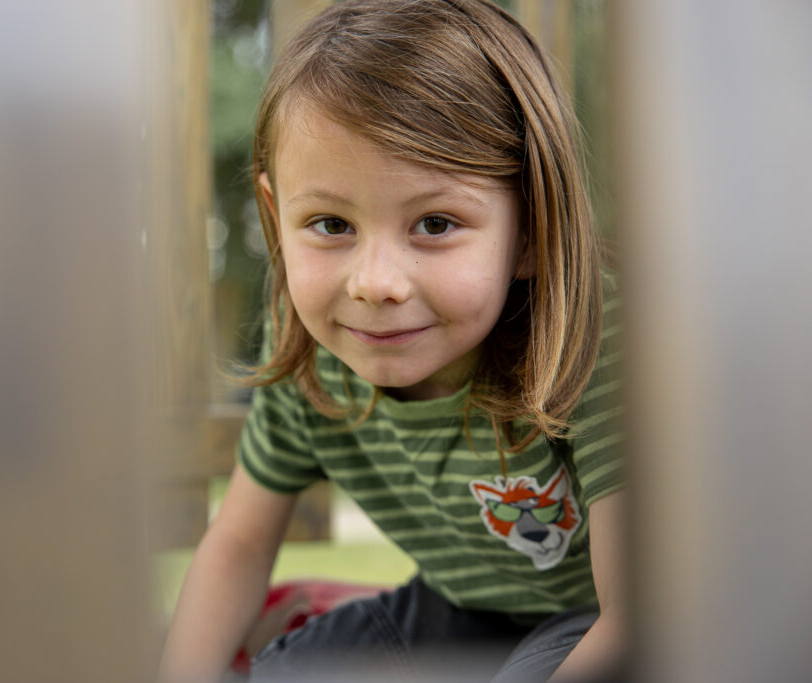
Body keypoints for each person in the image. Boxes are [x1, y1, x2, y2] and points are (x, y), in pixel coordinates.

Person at [159, 1, 625, 680]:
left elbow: (642, 614)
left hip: (605, 617)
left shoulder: (591, 335)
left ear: (530, 230)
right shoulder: (313, 360)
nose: (375, 283)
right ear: (274, 214)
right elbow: (236, 544)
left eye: (434, 224)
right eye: (330, 223)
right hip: (462, 615)